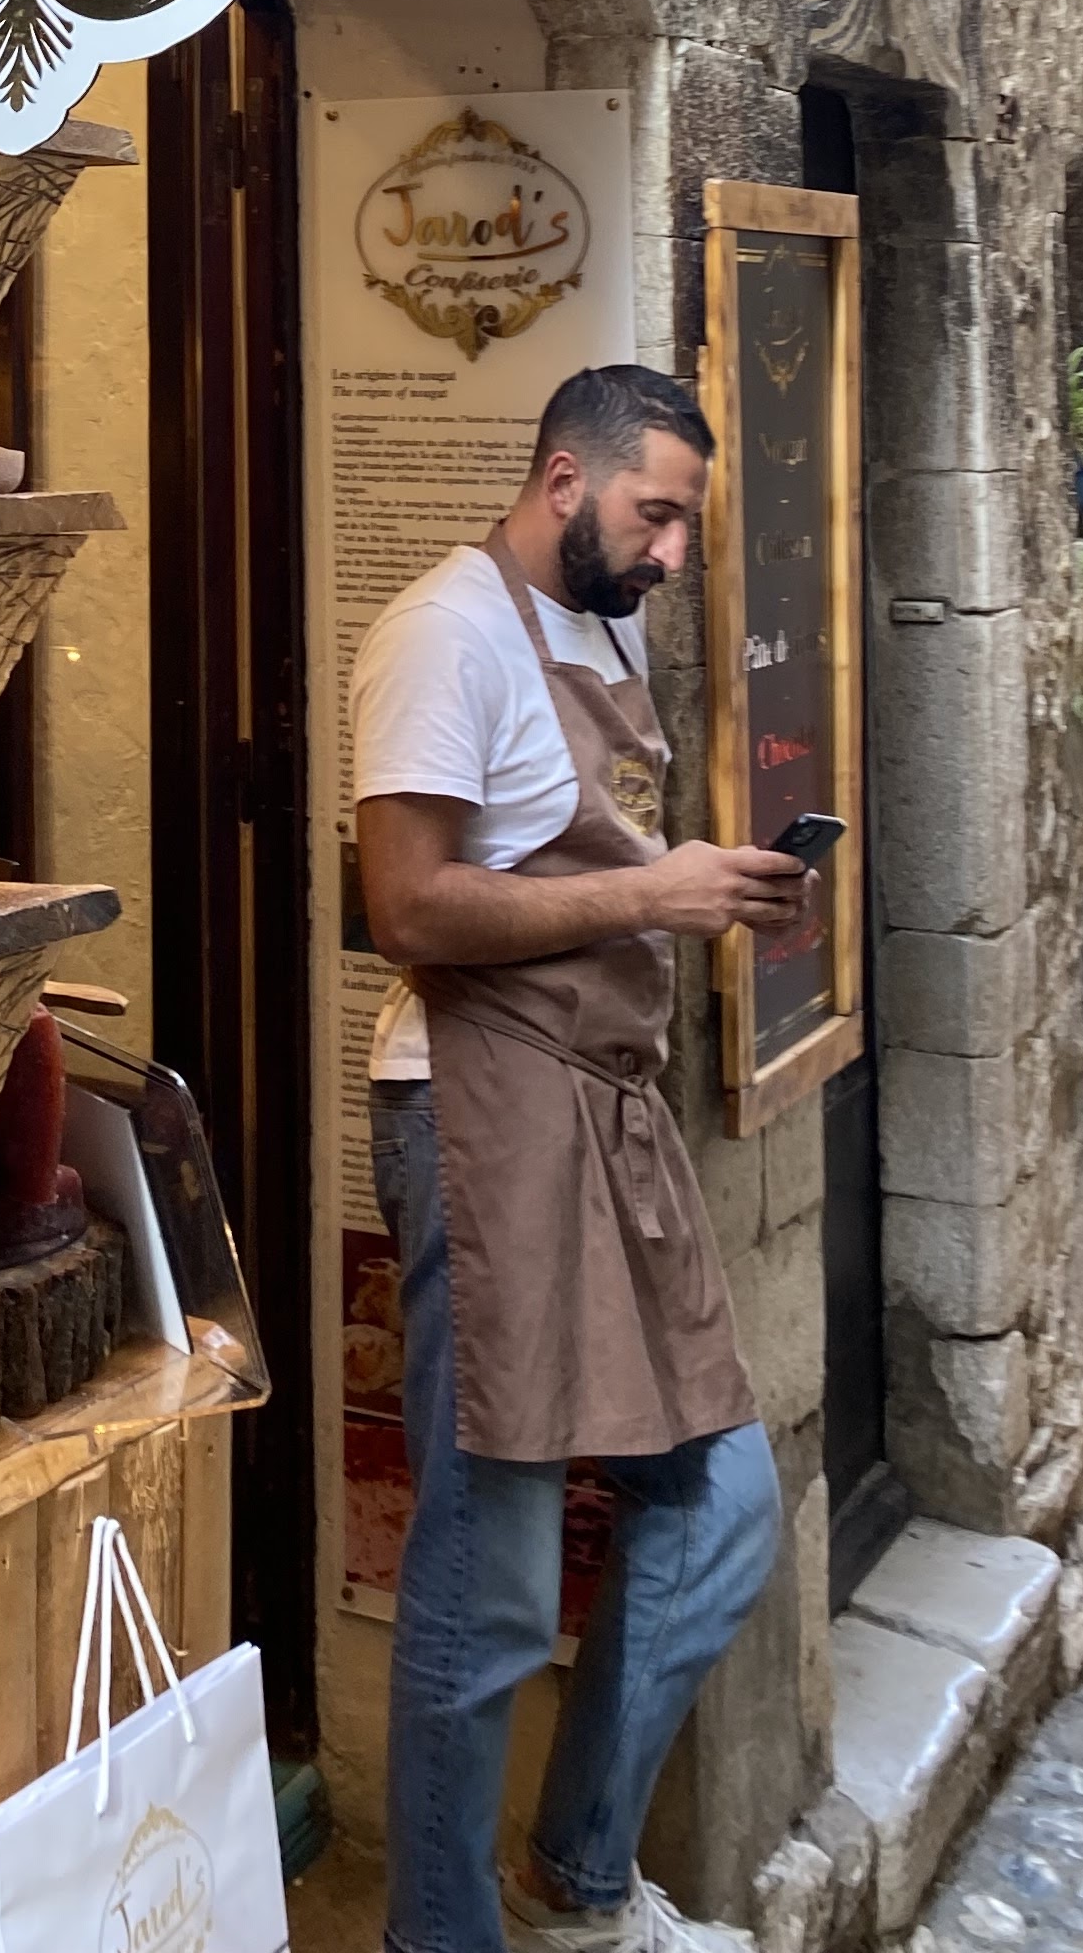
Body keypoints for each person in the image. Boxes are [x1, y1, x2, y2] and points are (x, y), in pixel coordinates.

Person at [351, 360, 809, 1953]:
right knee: (487, 1583)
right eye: (656, 515)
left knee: (724, 1501)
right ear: (565, 480)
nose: (674, 552)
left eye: (684, 522)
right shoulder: (443, 635)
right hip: (481, 1119)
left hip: (605, 1112)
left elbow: (586, 859)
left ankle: (577, 1885)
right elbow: (405, 906)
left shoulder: (603, 624)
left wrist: (713, 889)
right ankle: (442, 1935)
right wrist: (651, 895)